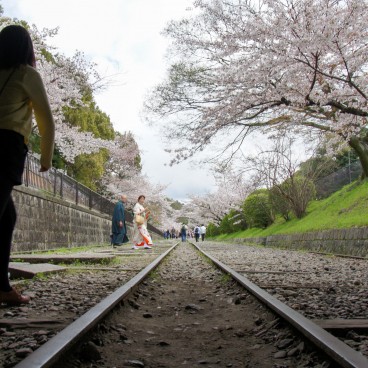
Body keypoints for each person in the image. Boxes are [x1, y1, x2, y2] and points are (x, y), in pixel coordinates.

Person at [0, 25, 55, 305]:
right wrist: (45, 159)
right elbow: (46, 120)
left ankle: (2, 286)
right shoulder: (26, 74)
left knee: (6, 217)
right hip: (6, 146)